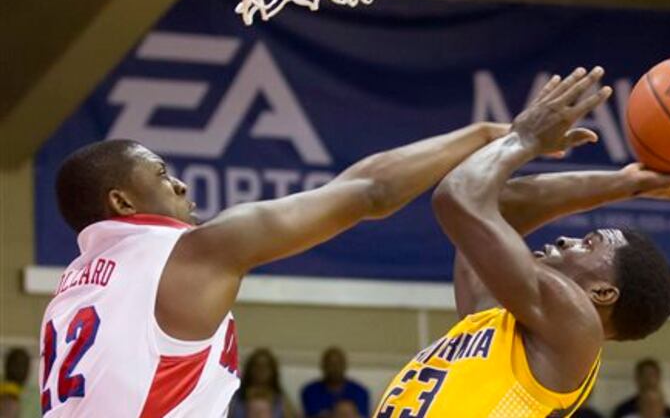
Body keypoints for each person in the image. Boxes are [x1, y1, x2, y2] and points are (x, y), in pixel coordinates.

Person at [38, 115, 510, 416]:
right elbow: (370, 191)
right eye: (161, 174)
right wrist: (489, 135)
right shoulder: (186, 255)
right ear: (121, 200)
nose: (180, 185)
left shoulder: (72, 290)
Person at [374, 67, 670, 417]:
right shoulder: (501, 318)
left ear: (602, 293)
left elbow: (457, 198)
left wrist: (522, 141)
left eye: (588, 245)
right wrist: (623, 184)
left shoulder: (575, 325)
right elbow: (498, 205)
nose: (564, 239)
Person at [230, 348, 298, 418]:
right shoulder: (236, 397)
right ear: (249, 368)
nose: (261, 370)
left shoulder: (281, 400)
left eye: (266, 366)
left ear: (273, 371)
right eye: (256, 365)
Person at [301, 347, 368, 418]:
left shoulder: (360, 392)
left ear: (345, 365)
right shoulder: (310, 391)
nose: (335, 368)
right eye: (331, 364)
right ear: (323, 366)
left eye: (338, 364)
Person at [2, 349, 36, 418]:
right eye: (16, 365)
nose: (19, 369)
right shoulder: (10, 394)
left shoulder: (31, 394)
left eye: (23, 365)